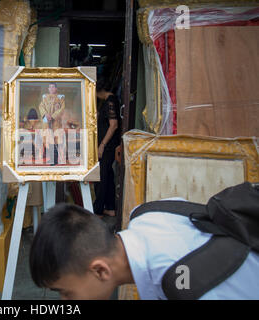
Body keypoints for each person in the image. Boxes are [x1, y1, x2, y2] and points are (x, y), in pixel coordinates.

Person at [30, 199, 259, 300]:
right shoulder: (147, 213)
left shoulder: (184, 285)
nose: (64, 301)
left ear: (100, 271)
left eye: (67, 293)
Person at [93, 80, 120, 217]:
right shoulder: (110, 100)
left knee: (101, 177)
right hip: (108, 145)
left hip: (108, 146)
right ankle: (110, 208)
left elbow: (113, 124)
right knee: (108, 176)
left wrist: (102, 145)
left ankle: (97, 210)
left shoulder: (110, 101)